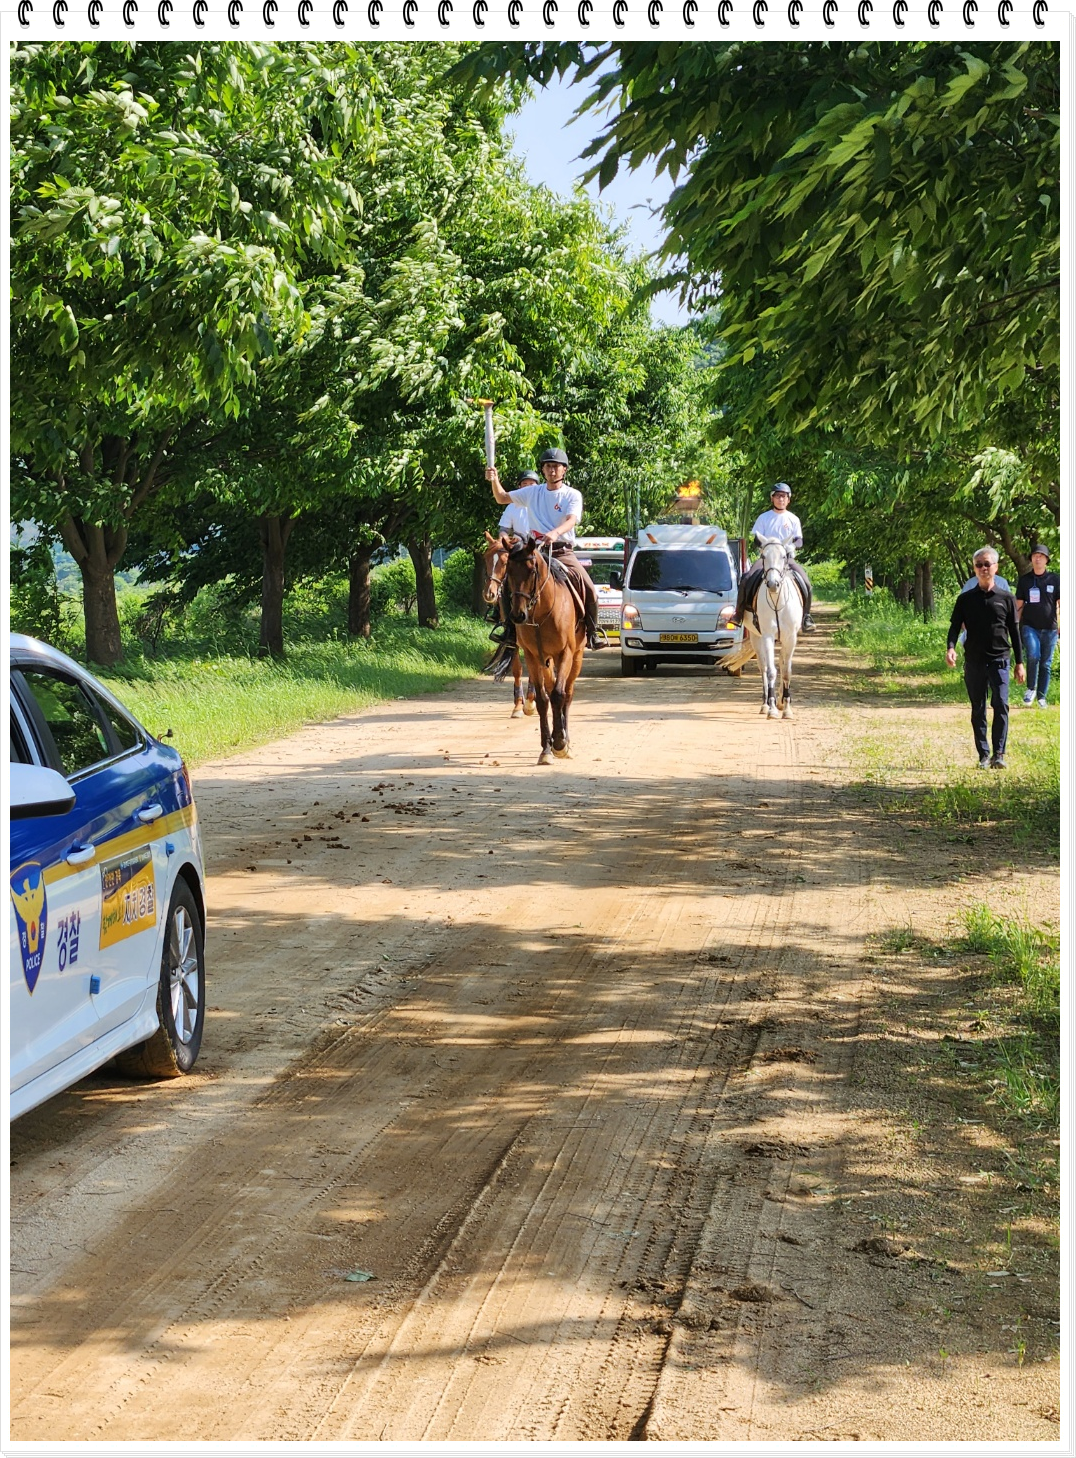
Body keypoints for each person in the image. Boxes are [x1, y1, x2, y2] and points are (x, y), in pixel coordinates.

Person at [487, 447, 605, 649]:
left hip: (562, 551)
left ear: (564, 470)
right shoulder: (532, 492)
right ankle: (509, 630)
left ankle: (592, 632)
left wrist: (556, 533)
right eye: (548, 466)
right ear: (542, 470)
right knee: (509, 584)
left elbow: (571, 520)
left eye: (556, 467)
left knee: (589, 588)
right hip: (536, 552)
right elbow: (501, 497)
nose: (552, 470)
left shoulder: (572, 495)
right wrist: (494, 479)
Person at [946, 546, 1025, 769]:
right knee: (978, 707)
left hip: (1000, 659)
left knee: (1001, 704)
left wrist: (1019, 663)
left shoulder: (1007, 598)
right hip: (974, 660)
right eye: (979, 565)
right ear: (974, 568)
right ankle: (983, 754)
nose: (983, 568)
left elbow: (1014, 632)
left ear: (996, 567)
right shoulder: (965, 599)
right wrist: (951, 647)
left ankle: (999, 754)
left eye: (987, 564)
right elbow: (954, 627)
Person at [729, 483, 816, 632]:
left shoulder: (793, 519)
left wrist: (793, 546)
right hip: (767, 558)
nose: (780, 499)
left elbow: (799, 540)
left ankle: (806, 617)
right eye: (777, 496)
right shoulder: (764, 518)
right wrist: (764, 543)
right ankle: (739, 614)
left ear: (788, 500)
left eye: (784, 496)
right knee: (746, 578)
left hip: (786, 559)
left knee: (806, 583)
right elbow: (756, 538)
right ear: (772, 498)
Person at [1015, 544, 1060, 709]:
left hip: (1050, 628)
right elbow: (1018, 605)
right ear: (1031, 559)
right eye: (1035, 555)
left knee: (1046, 663)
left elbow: (1060, 604)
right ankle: (1030, 689)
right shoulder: (1025, 580)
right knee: (1033, 655)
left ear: (1047, 559)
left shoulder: (1055, 579)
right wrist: (1013, 626)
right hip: (1029, 626)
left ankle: (1042, 696)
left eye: (1041, 555)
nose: (1038, 558)